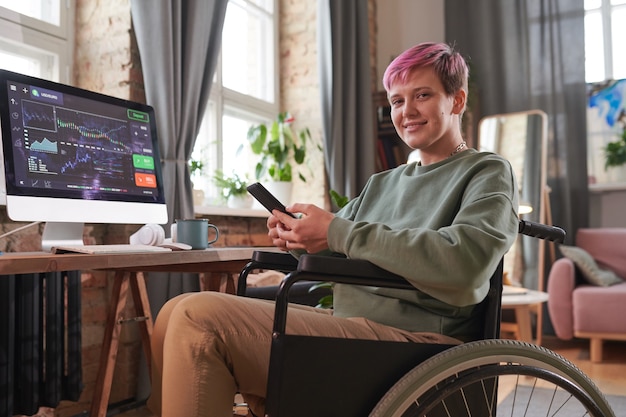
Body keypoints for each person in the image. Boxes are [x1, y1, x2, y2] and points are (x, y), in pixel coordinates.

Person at [147, 42, 519, 417]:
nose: (407, 111)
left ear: (456, 100)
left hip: (419, 344)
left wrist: (338, 231)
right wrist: (300, 238)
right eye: (397, 101)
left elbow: (463, 267)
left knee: (198, 318)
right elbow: (335, 248)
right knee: (172, 312)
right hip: (354, 330)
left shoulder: (486, 172)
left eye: (422, 95)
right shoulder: (382, 183)